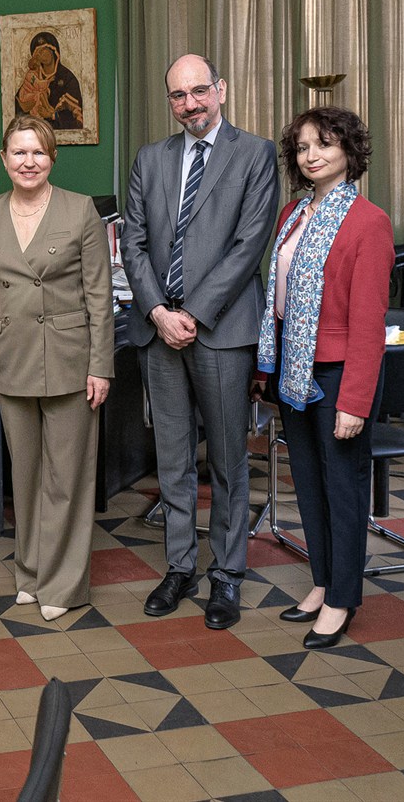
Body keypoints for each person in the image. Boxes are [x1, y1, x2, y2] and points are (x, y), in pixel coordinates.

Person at [120, 53, 277, 629]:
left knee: (229, 460)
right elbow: (133, 243)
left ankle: (227, 574)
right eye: (178, 95)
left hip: (222, 331)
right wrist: (159, 312)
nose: (190, 104)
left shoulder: (255, 154)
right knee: (173, 457)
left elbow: (249, 244)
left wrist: (192, 313)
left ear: (221, 90)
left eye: (199, 91)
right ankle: (180, 565)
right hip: (159, 331)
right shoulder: (150, 158)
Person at [254, 107, 392, 649]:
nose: (312, 155)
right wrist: (266, 367)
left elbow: (369, 323)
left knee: (343, 488)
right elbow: (278, 297)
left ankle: (342, 598)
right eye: (303, 147)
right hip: (294, 369)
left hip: (338, 376)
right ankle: (322, 581)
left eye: (325, 144)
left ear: (349, 152)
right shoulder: (292, 213)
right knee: (308, 483)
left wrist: (355, 400)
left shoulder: (368, 221)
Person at [0, 115, 112, 620]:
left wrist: (101, 366)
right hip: (10, 359)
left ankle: (63, 585)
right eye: (19, 152)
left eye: (38, 152)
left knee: (66, 479)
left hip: (70, 359)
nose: (28, 162)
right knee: (26, 475)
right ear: (3, 158)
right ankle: (30, 573)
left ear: (52, 157)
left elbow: (99, 295)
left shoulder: (80, 210)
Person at [15, 31, 84, 130]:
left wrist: (53, 115)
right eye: (38, 53)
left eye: (44, 50)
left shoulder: (67, 78)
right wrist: (26, 106)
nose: (42, 55)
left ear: (53, 50)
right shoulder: (33, 76)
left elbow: (76, 119)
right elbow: (18, 112)